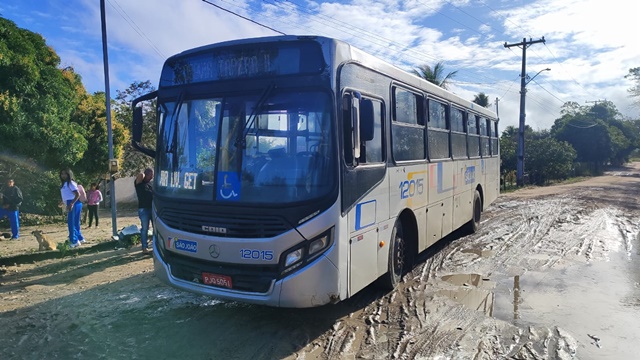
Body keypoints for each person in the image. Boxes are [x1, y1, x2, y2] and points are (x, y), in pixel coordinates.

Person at [59, 169, 85, 248]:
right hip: (71, 202)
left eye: (65, 174)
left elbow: (77, 194)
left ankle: (74, 241)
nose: (63, 176)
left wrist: (72, 203)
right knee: (75, 222)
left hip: (74, 203)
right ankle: (80, 238)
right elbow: (67, 194)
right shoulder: (65, 184)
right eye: (62, 174)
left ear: (69, 174)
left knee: (71, 222)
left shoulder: (70, 183)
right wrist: (63, 202)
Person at [135, 168, 154, 255]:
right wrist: (144, 174)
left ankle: (155, 246)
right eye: (151, 175)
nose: (152, 177)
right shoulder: (139, 184)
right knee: (145, 229)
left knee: (155, 228)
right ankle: (144, 247)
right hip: (143, 209)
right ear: (146, 174)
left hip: (152, 208)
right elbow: (140, 175)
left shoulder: (150, 184)